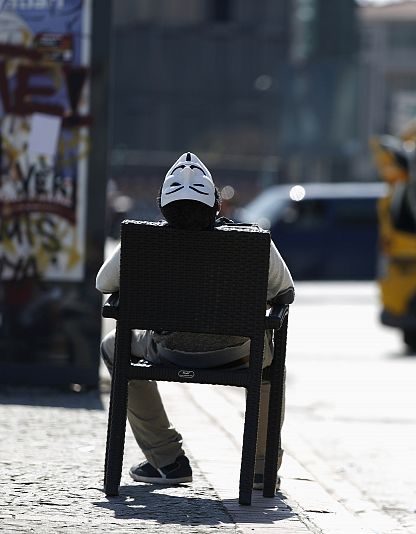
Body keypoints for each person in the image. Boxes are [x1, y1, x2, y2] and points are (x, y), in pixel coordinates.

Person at [96, 152, 294, 490]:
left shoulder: (142, 241)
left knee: (113, 346)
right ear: (216, 204)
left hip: (169, 350)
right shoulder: (253, 241)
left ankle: (167, 460)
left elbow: (104, 285)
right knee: (269, 367)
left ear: (162, 205)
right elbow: (285, 293)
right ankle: (261, 470)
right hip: (240, 354)